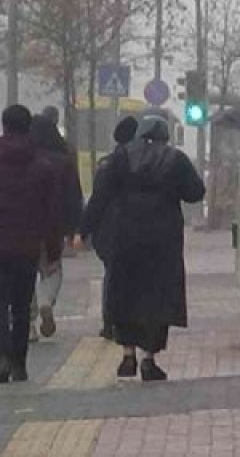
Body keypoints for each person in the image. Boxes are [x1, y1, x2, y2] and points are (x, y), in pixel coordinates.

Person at [102, 115, 204, 381]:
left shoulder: (122, 156)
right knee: (158, 296)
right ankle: (149, 359)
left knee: (125, 291)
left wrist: (83, 228)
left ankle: (127, 354)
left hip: (125, 235)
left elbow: (102, 193)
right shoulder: (175, 159)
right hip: (162, 239)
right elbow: (196, 192)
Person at [0, 105, 60, 384]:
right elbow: (51, 213)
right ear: (28, 127)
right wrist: (52, 250)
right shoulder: (43, 167)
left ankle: (2, 358)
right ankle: (19, 364)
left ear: (4, 126)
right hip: (27, 246)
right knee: (21, 307)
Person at [81, 116, 138, 340]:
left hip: (107, 231)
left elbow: (98, 200)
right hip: (133, 229)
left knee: (112, 276)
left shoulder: (106, 164)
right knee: (131, 277)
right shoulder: (140, 163)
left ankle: (109, 321)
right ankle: (128, 321)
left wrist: (83, 229)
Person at [28, 114, 83, 341]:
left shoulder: (25, 159)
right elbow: (74, 197)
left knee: (25, 275)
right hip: (53, 227)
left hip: (23, 227)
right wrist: (75, 230)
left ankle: (28, 326)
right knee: (52, 270)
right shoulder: (63, 161)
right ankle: (45, 302)